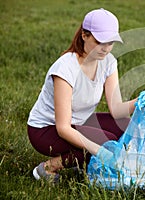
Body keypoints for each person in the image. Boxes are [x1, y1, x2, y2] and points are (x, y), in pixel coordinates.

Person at [27, 8, 137, 183]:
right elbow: (63, 128)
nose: (106, 49)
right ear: (84, 35)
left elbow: (116, 109)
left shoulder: (108, 63)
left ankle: (85, 163)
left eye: (111, 43)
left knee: (126, 125)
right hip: (47, 129)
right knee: (105, 142)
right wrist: (99, 151)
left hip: (78, 121)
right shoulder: (65, 68)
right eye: (100, 41)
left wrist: (139, 102)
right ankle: (47, 169)